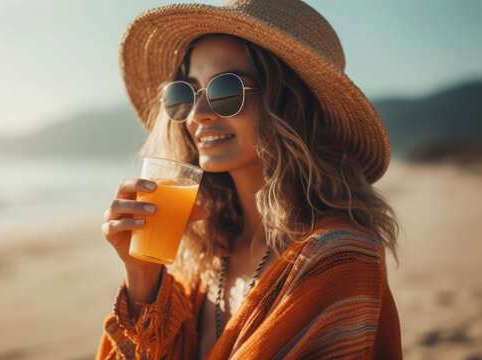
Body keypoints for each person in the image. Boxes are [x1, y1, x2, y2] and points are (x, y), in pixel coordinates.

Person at [98, 0, 402, 358]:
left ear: (289, 102)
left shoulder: (340, 258)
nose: (198, 114)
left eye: (225, 91)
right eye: (187, 92)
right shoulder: (201, 259)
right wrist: (142, 276)